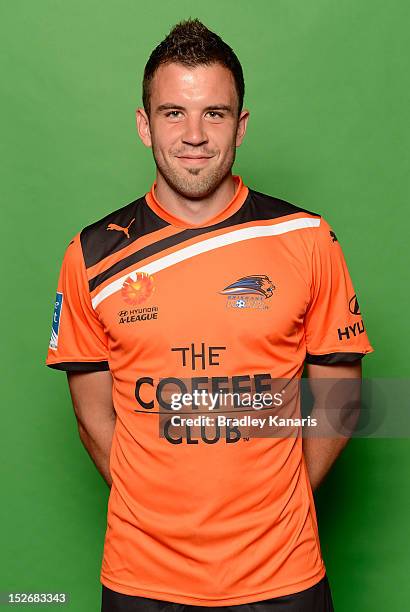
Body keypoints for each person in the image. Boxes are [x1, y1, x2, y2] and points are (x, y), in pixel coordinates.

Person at [46, 18, 373, 612]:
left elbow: (343, 399)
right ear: (144, 125)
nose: (193, 134)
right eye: (173, 113)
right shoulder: (91, 255)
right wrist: (160, 515)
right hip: (142, 579)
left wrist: (279, 498)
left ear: (240, 125)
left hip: (284, 575)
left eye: (214, 113)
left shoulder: (307, 239)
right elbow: (94, 420)